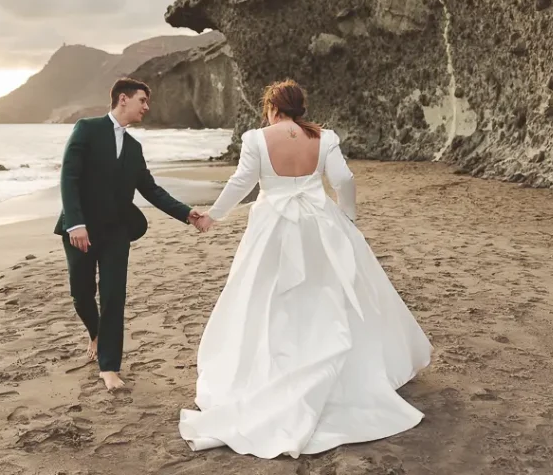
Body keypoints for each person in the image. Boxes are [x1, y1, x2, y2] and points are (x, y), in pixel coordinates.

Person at [179, 79, 432, 458]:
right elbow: (344, 179)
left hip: (274, 229)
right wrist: (347, 217)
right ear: (301, 107)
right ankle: (343, 371)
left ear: (272, 108)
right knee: (330, 293)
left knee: (268, 298)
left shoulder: (256, 138)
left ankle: (278, 367)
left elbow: (241, 183)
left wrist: (212, 217)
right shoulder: (324, 137)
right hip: (320, 224)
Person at [55, 78, 204, 391]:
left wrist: (186, 213)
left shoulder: (135, 148)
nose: (146, 108)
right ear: (122, 99)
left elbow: (150, 189)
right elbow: (69, 177)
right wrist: (75, 223)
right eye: (142, 101)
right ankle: (95, 332)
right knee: (81, 293)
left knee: (113, 296)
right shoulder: (86, 128)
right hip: (79, 229)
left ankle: (109, 367)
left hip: (116, 232)